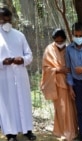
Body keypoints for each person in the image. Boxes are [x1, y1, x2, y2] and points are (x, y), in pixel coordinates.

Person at [0, 7, 36, 141]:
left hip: (20, 75)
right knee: (8, 104)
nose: (6, 22)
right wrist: (3, 62)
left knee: (24, 101)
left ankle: (28, 130)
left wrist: (22, 59)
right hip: (4, 77)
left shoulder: (19, 35)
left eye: (8, 19)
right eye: (2, 19)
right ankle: (10, 133)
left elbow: (29, 55)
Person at [40, 28, 78, 140]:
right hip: (57, 83)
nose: (60, 43)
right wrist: (58, 70)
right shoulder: (49, 50)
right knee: (61, 109)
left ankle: (73, 131)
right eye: (57, 41)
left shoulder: (70, 49)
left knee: (72, 109)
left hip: (71, 83)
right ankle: (62, 131)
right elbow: (46, 68)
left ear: (65, 39)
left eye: (62, 41)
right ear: (54, 40)